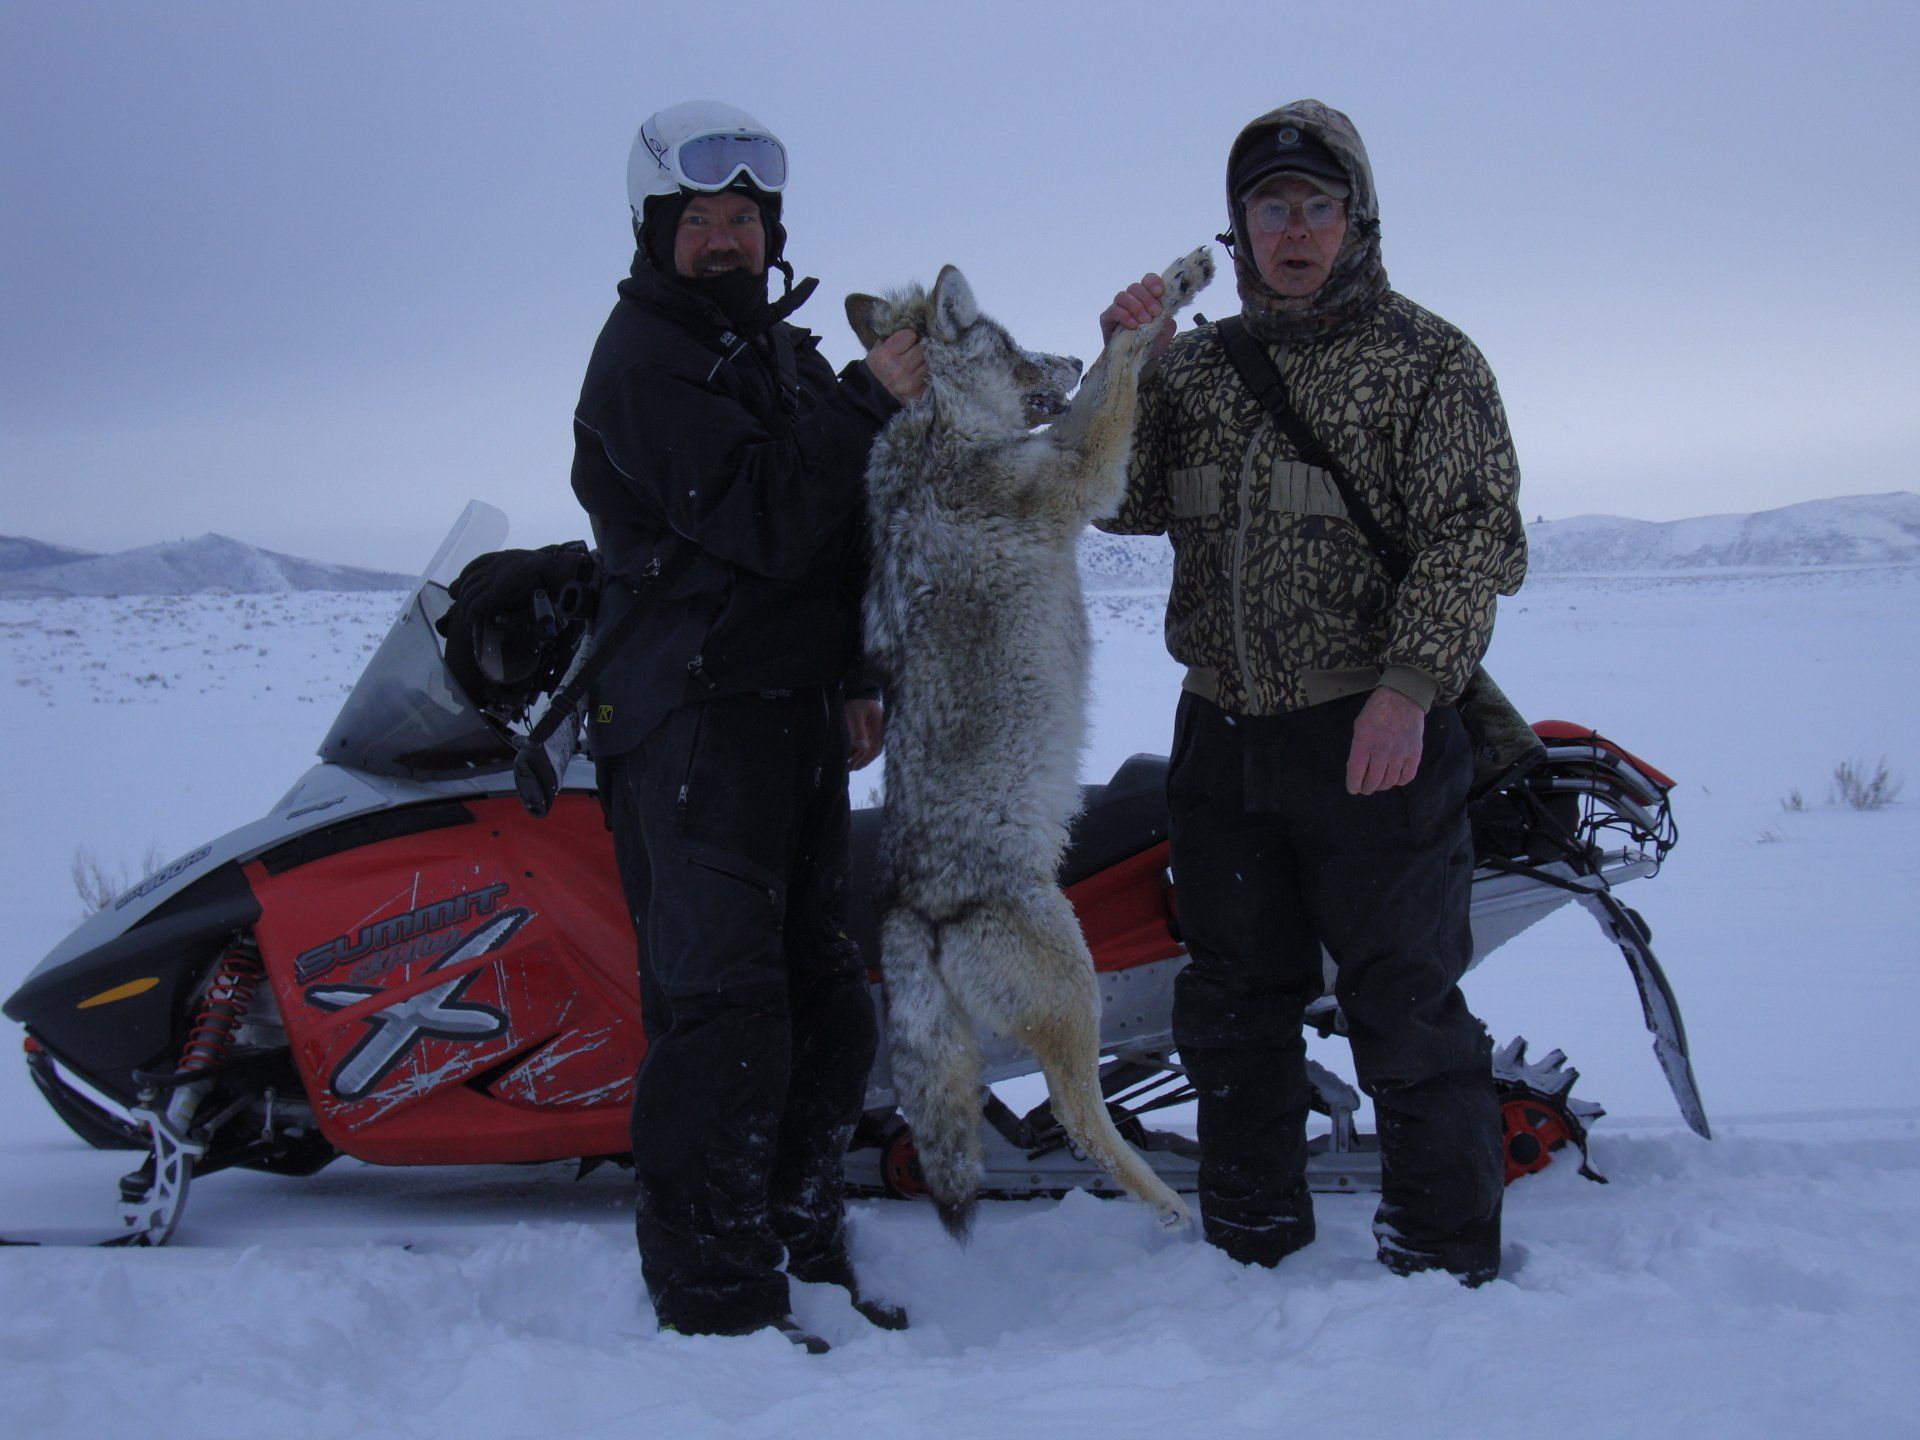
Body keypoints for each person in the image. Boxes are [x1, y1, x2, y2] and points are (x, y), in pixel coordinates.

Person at [1098, 99, 1527, 1285]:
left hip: (1372, 737)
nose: (1294, 229)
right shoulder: (1203, 374)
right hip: (1224, 739)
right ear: (1237, 229)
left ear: (1356, 217)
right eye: (1270, 206)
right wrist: (1123, 363)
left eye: (1316, 205)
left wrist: (1406, 691)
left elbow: (1474, 539)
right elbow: (1108, 496)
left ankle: (1443, 1263)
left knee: (1406, 1009)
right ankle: (1251, 1253)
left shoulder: (1426, 361)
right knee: (1234, 1007)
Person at [568, 100, 925, 1348]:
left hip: (784, 720)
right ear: (657, 231)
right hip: (690, 730)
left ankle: (798, 1246)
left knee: (824, 1009)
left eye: (746, 218)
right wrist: (867, 399)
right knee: (724, 1019)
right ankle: (718, 1306)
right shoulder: (644, 361)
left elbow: (825, 540)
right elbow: (766, 513)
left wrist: (857, 674)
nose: (728, 240)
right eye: (702, 220)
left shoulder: (759, 348)